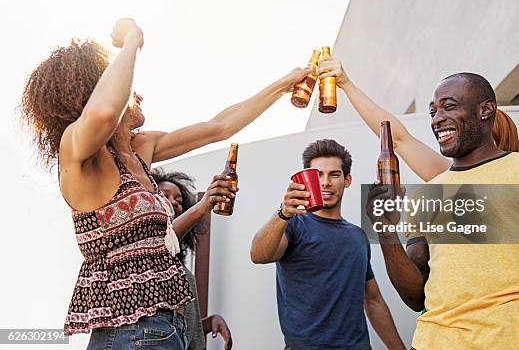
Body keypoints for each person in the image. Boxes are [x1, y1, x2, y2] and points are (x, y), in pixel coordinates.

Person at [19, 18, 311, 349]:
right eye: (125, 87)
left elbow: (220, 126)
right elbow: (102, 114)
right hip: (128, 335)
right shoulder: (79, 154)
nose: (136, 93)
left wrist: (283, 85)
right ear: (94, 92)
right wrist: (132, 38)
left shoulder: (141, 148)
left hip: (170, 329)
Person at [355, 72, 519, 349]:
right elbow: (416, 297)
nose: (437, 118)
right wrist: (386, 230)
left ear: (485, 109)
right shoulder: (428, 193)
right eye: (433, 111)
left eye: (449, 106)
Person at [250, 139, 406, 350]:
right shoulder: (293, 224)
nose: (325, 182)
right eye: (318, 175)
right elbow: (258, 255)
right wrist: (283, 213)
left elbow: (373, 300)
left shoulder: (357, 236)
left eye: (334, 174)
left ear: (347, 180)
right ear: (307, 181)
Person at [316, 58, 519, 183]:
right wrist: (347, 85)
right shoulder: (453, 180)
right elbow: (398, 139)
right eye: (433, 112)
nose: (439, 119)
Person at [152, 169, 232, 350]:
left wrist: (207, 322)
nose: (173, 202)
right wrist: (201, 207)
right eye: (165, 195)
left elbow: (174, 325)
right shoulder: (145, 252)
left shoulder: (177, 264)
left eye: (179, 201)